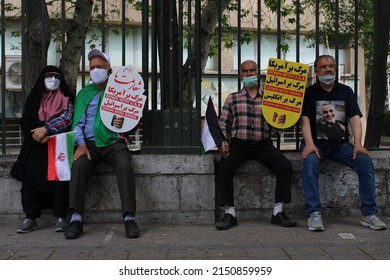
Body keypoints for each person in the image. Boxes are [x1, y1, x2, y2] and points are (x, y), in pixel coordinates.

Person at [300, 54, 387, 231]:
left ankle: (369, 214)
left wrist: (358, 144)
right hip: (315, 144)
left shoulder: (346, 91)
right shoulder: (309, 93)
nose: (328, 69)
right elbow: (305, 120)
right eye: (323, 67)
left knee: (364, 161)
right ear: (316, 72)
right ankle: (314, 214)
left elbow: (355, 118)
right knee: (309, 164)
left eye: (331, 65)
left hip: (341, 146)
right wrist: (309, 144)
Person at [64, 49, 140, 239]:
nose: (95, 70)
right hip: (88, 145)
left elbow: (132, 120)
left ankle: (129, 218)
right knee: (79, 166)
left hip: (114, 143)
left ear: (109, 70)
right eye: (92, 67)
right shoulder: (83, 94)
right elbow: (77, 124)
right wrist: (80, 144)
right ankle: (75, 218)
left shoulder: (121, 92)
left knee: (124, 165)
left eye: (99, 66)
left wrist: (123, 123)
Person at [215, 59, 297, 230]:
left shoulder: (270, 98)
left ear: (258, 74)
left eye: (252, 70)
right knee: (224, 168)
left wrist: (280, 122)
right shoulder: (232, 99)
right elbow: (223, 123)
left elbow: (277, 128)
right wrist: (223, 142)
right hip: (239, 145)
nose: (249, 74)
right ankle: (230, 213)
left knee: (284, 166)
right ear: (240, 75)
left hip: (263, 145)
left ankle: (278, 212)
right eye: (245, 71)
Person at [10, 65, 74, 233]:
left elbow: (66, 120)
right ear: (42, 79)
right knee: (29, 177)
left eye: (57, 77)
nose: (53, 81)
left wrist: (46, 129)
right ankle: (30, 217)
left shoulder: (66, 98)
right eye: (49, 77)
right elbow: (26, 123)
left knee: (59, 177)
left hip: (57, 146)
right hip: (34, 146)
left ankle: (60, 216)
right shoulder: (34, 98)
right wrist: (39, 134)